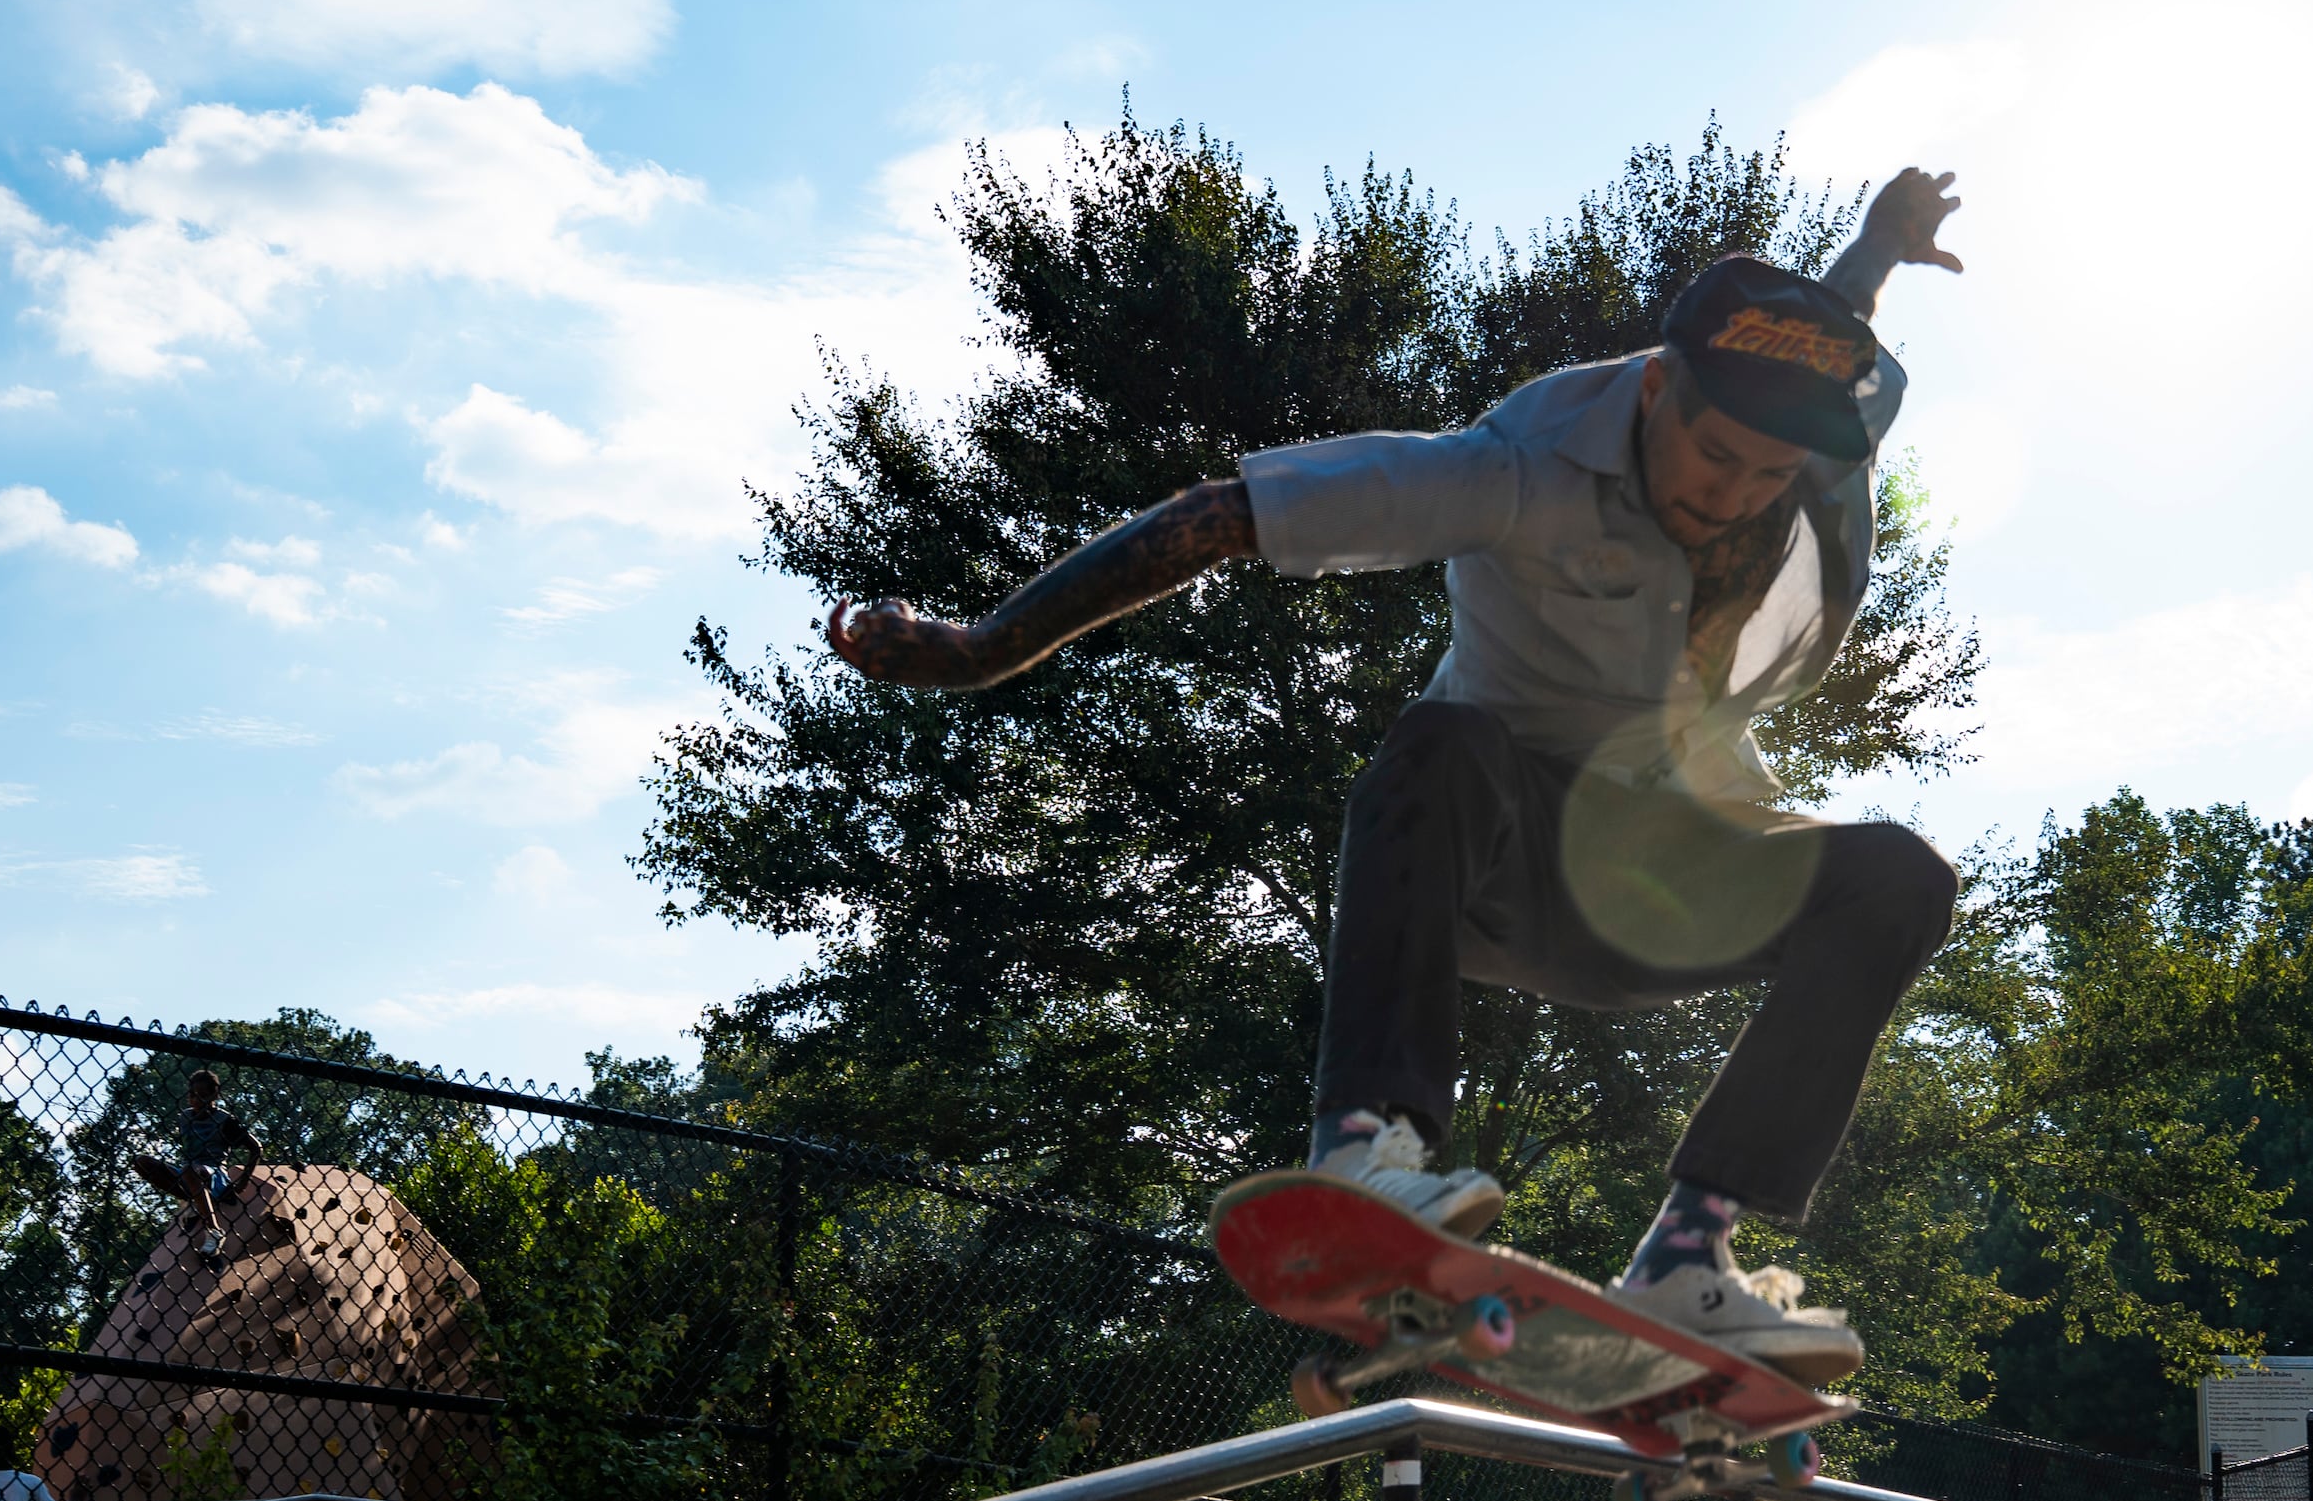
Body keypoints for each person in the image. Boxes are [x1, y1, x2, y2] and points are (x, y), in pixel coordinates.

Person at [826, 168, 1969, 1383]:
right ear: (1652, 388)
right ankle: (1369, 1149)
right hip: (1499, 864)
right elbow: (1226, 517)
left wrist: (1877, 245)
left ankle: (1690, 1256)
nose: (1730, 495)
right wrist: (987, 646)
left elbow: (1814, 330)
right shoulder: (1514, 467)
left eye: (1767, 476)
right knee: (1442, 740)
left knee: (1897, 876)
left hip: (1677, 886)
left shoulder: (1810, 429)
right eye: (1715, 456)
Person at [127, 1068, 263, 1259]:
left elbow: (256, 1148)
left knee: (191, 1170)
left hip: (214, 1174)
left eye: (203, 1096)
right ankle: (194, 1199)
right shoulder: (185, 1117)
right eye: (192, 1095)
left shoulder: (224, 1120)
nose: (196, 1100)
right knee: (142, 1162)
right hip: (187, 1173)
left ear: (215, 1095)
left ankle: (214, 1230)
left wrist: (243, 1181)